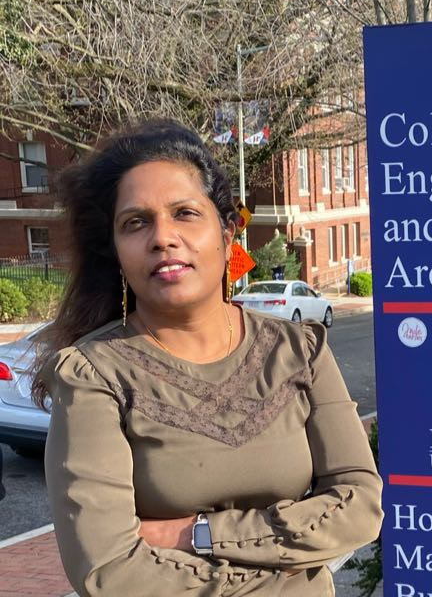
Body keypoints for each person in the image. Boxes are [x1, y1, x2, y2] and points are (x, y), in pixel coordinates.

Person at [33, 119, 383, 596]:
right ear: (116, 252)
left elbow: (360, 506)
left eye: (185, 213)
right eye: (136, 222)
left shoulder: (300, 350)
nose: (162, 237)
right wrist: (281, 566)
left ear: (228, 231)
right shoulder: (94, 375)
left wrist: (195, 533)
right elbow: (109, 571)